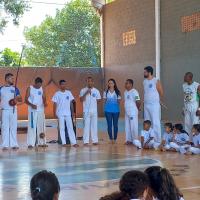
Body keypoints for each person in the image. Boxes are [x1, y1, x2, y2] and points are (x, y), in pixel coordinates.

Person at [52, 80, 78, 147]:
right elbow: (54, 104)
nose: (64, 85)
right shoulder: (57, 94)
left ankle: (74, 142)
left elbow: (71, 102)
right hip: (60, 113)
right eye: (62, 84)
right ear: (60, 85)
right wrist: (54, 113)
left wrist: (72, 112)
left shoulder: (68, 93)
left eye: (64, 84)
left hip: (68, 113)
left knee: (70, 128)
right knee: (62, 128)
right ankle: (64, 143)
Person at [0, 73, 22, 150]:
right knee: (4, 127)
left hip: (13, 110)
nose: (13, 79)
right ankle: (5, 145)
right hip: (4, 110)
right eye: (11, 78)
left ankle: (14, 144)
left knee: (13, 127)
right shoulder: (1, 89)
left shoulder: (15, 89)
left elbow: (20, 99)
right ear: (6, 79)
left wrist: (16, 98)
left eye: (13, 78)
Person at [25, 77, 47, 148]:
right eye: (38, 85)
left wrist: (45, 102)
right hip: (32, 110)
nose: (39, 87)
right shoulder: (30, 88)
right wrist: (32, 105)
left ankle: (42, 142)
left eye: (40, 85)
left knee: (41, 126)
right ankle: (30, 143)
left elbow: (44, 98)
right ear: (35, 83)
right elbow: (26, 100)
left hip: (41, 110)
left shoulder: (42, 88)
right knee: (32, 126)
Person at [143, 66, 163, 143]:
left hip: (154, 105)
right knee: (147, 122)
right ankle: (147, 140)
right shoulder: (144, 81)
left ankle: (158, 140)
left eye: (145, 72)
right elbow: (145, 93)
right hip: (146, 105)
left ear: (149, 72)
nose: (144, 73)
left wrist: (157, 100)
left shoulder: (156, 81)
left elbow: (161, 92)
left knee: (155, 122)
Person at [80, 77, 101, 145]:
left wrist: (93, 105)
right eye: (88, 81)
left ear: (93, 82)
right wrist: (86, 93)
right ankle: (86, 141)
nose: (89, 82)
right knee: (86, 126)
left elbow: (98, 100)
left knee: (94, 126)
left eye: (91, 81)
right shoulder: (83, 90)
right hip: (86, 111)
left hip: (94, 111)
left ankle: (95, 141)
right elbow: (81, 100)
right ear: (86, 82)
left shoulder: (96, 91)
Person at [183, 72, 200, 141]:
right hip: (187, 106)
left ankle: (196, 141)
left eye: (185, 76)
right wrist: (183, 108)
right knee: (187, 124)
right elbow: (184, 97)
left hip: (194, 105)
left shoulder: (197, 85)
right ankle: (189, 141)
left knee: (195, 124)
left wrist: (199, 109)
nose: (184, 78)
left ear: (190, 77)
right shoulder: (184, 85)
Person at [124, 79, 141, 146]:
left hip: (133, 112)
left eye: (127, 83)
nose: (125, 85)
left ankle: (135, 140)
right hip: (127, 112)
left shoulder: (135, 92)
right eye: (125, 83)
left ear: (131, 84)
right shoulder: (125, 92)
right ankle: (129, 140)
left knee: (133, 126)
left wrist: (138, 108)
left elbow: (138, 101)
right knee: (127, 127)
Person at [104, 79, 121, 143]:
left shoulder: (117, 92)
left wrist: (114, 105)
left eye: (111, 83)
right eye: (109, 83)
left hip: (116, 111)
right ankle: (111, 138)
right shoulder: (105, 92)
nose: (110, 84)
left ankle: (115, 138)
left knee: (115, 125)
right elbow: (105, 101)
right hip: (108, 111)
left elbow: (119, 102)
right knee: (109, 125)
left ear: (114, 84)